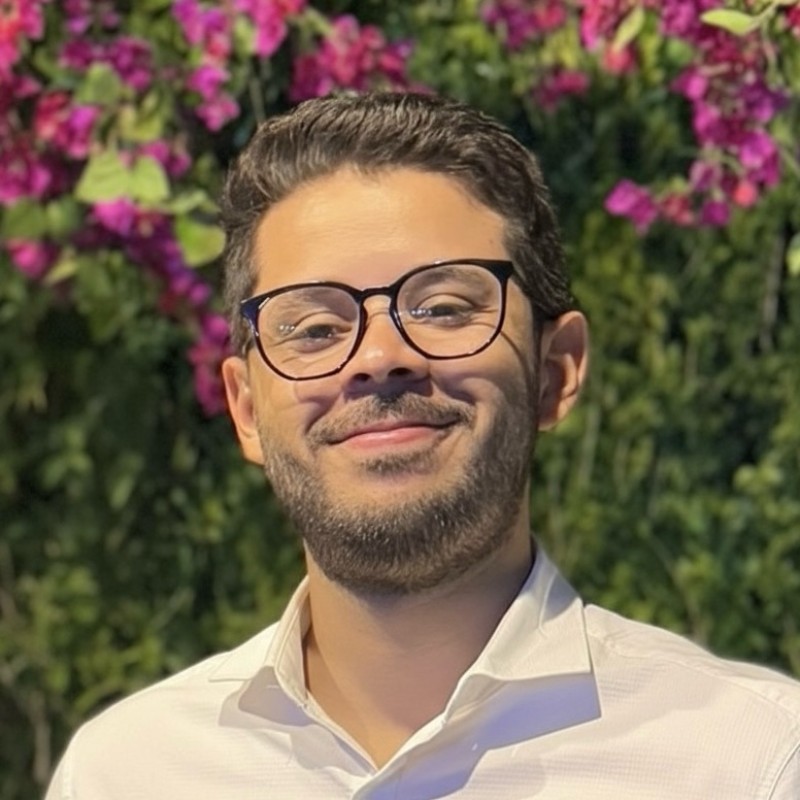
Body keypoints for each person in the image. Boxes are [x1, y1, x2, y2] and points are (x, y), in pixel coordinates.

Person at [46, 91, 800, 799]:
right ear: (245, 410)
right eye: (315, 327)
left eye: (441, 308)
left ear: (556, 371)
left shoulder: (751, 762)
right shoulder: (123, 774)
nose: (379, 357)